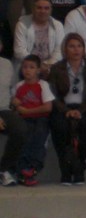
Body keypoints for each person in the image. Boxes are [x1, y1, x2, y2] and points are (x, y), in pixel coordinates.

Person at [47, 33, 86, 185]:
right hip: (63, 108)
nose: (76, 50)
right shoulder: (57, 68)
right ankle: (65, 169)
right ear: (65, 49)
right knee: (59, 128)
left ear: (84, 48)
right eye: (71, 46)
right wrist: (66, 111)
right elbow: (52, 95)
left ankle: (79, 166)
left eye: (79, 46)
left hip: (85, 108)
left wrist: (81, 111)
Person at [12, 55, 54, 186]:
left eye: (31, 67)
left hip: (41, 118)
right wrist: (15, 104)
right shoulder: (19, 86)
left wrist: (27, 111)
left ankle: (33, 167)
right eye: (25, 67)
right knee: (25, 136)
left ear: (38, 70)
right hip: (24, 119)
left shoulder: (43, 85)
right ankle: (23, 169)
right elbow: (15, 105)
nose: (27, 70)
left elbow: (48, 107)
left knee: (40, 135)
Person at [0, 41, 28, 186]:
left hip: (4, 109)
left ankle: (4, 169)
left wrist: (14, 100)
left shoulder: (7, 64)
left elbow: (11, 88)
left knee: (20, 129)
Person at [13, 0, 64, 72]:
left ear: (51, 10)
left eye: (46, 8)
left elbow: (59, 50)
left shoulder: (57, 25)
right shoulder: (22, 24)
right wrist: (37, 66)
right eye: (39, 8)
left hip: (50, 67)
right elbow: (19, 51)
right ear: (33, 9)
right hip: (27, 68)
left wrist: (48, 65)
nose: (43, 11)